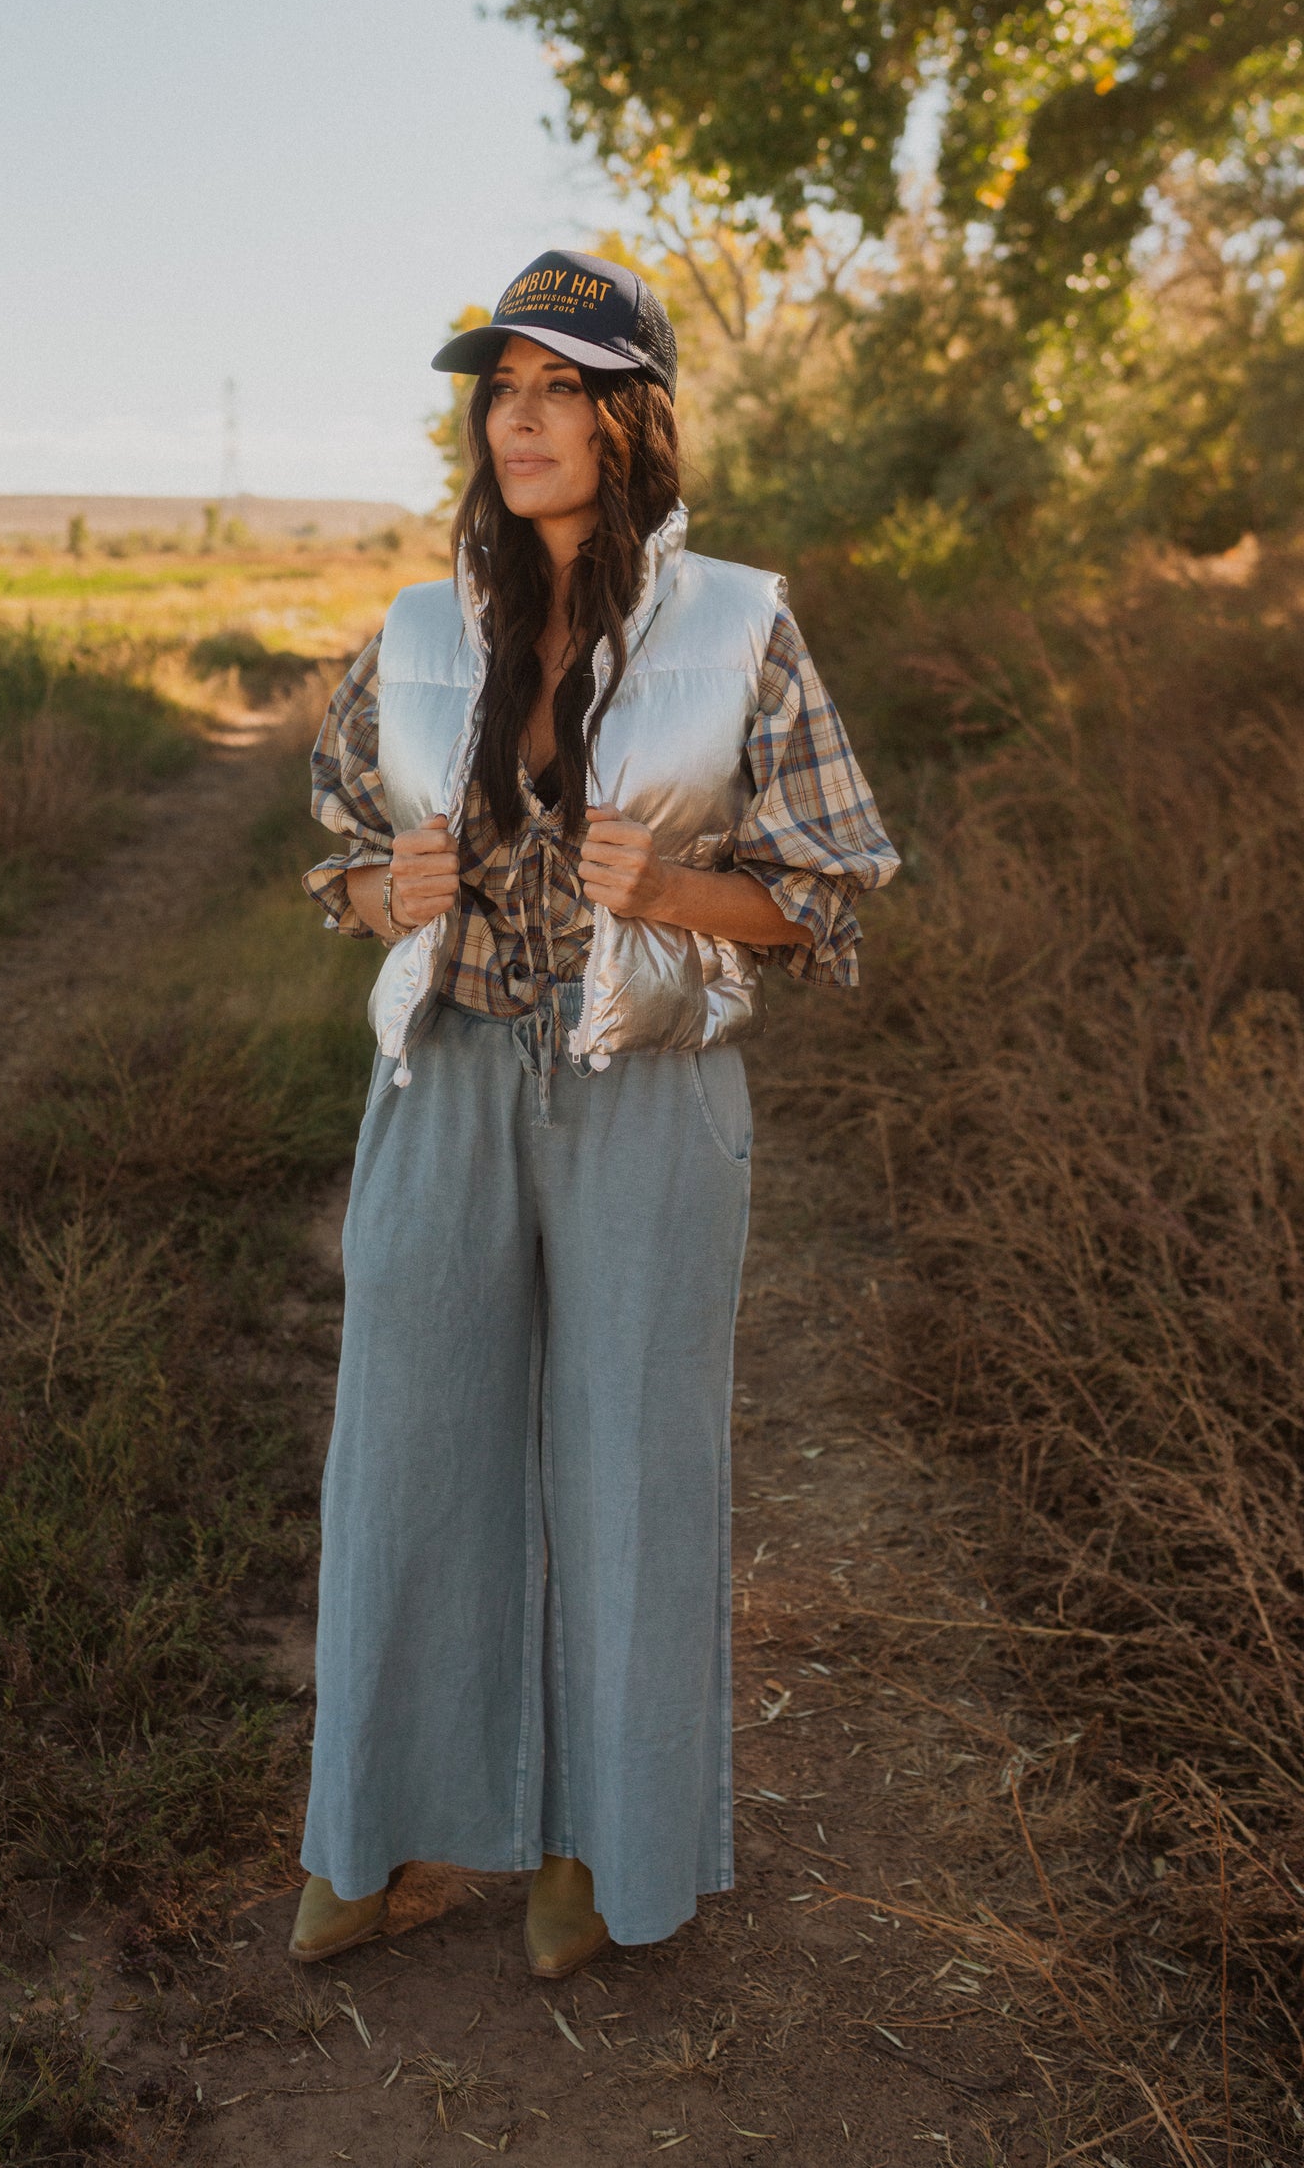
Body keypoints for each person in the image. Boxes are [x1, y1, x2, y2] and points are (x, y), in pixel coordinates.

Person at [291, 248, 898, 1978]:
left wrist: (678, 893)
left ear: (633, 418)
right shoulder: (421, 631)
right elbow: (338, 857)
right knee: (407, 1448)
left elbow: (831, 899)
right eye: (502, 389)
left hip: (651, 1087)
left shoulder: (741, 624)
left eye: (561, 386)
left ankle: (589, 1842)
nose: (522, 419)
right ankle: (371, 1831)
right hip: (451, 1073)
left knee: (630, 1464)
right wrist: (387, 895)